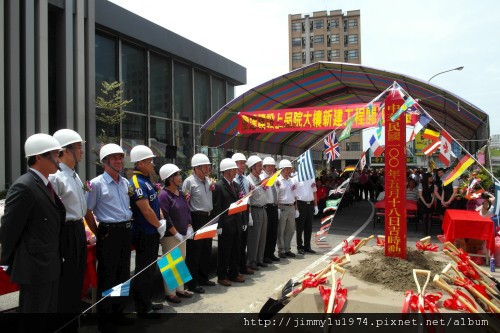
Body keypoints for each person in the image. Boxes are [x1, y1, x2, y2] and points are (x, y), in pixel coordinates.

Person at [0, 134, 64, 314]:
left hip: (49, 264)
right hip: (35, 267)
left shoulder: (44, 184)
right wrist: (8, 261)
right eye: (55, 154)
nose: (58, 159)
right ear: (39, 157)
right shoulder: (25, 186)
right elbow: (9, 229)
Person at [84, 143, 133, 332]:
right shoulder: (96, 184)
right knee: (107, 275)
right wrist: (98, 233)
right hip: (108, 232)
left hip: (124, 231)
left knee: (123, 274)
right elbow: (87, 211)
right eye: (114, 158)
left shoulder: (125, 182)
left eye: (121, 158)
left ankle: (118, 312)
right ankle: (105, 318)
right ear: (104, 162)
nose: (119, 161)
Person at [49, 129, 88, 318]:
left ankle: (73, 314)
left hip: (78, 229)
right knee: (67, 278)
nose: (81, 151)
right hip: (65, 232)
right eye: (78, 147)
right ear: (65, 151)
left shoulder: (74, 175)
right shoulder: (55, 177)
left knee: (78, 277)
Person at [128, 145, 165, 317]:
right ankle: (142, 306)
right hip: (145, 232)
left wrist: (160, 221)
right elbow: (145, 210)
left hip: (152, 231)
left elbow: (155, 205)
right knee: (143, 270)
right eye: (149, 161)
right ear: (140, 163)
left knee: (150, 269)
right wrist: (159, 225)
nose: (152, 164)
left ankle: (147, 301)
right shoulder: (137, 182)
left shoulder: (147, 180)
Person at [158, 163, 194, 304]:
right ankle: (170, 292)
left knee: (181, 259)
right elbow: (166, 216)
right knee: (171, 262)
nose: (180, 177)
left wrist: (189, 226)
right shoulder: (164, 195)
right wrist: (175, 233)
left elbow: (187, 210)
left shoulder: (180, 193)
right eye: (176, 175)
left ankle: (180, 288)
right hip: (171, 236)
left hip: (183, 233)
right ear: (169, 178)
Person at [182, 153, 215, 294]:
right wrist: (189, 223)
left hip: (208, 217)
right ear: (197, 168)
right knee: (194, 252)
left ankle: (203, 277)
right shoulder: (189, 182)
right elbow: (185, 203)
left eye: (208, 166)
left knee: (206, 249)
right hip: (196, 218)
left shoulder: (208, 181)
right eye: (205, 166)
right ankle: (192, 283)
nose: (208, 168)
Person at [213, 158, 245, 286]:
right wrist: (218, 225)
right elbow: (217, 207)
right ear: (226, 171)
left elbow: (239, 204)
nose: (236, 171)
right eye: (233, 169)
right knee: (224, 252)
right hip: (225, 225)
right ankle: (222, 276)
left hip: (236, 223)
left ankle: (234, 273)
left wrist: (242, 220)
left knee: (235, 250)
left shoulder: (236, 185)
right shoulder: (219, 186)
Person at [246, 155, 268, 268]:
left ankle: (259, 259)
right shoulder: (248, 180)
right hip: (254, 210)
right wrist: (249, 214)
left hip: (263, 209)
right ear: (252, 167)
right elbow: (248, 199)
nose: (261, 168)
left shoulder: (261, 179)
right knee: (254, 237)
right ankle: (252, 261)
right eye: (259, 166)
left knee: (262, 236)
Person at [232, 153, 253, 275]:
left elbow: (247, 197)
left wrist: (248, 214)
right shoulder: (232, 181)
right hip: (235, 212)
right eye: (240, 163)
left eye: (244, 163)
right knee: (237, 243)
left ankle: (242, 266)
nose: (243, 166)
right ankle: (235, 268)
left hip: (245, 211)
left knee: (243, 241)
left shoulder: (245, 179)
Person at [276, 159, 298, 258]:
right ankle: (281, 250)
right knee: (281, 229)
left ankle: (287, 248)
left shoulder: (292, 180)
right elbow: (276, 195)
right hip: (282, 206)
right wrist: (277, 208)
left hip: (291, 206)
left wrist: (296, 209)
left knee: (291, 229)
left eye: (290, 168)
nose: (289, 170)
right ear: (282, 169)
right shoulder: (278, 181)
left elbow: (295, 195)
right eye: (287, 169)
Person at [293, 169, 318, 255]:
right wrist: (296, 208)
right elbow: (294, 195)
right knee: (300, 227)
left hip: (310, 204)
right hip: (301, 204)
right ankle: (300, 246)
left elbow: (314, 192)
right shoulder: (295, 179)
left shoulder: (311, 179)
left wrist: (316, 205)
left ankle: (307, 246)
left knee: (309, 227)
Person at [261, 157, 281, 263]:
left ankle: (271, 252)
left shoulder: (274, 178)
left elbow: (276, 193)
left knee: (273, 231)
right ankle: (264, 255)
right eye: (268, 166)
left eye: (272, 166)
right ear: (264, 167)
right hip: (266, 207)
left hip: (274, 207)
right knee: (266, 232)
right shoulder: (261, 178)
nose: (271, 168)